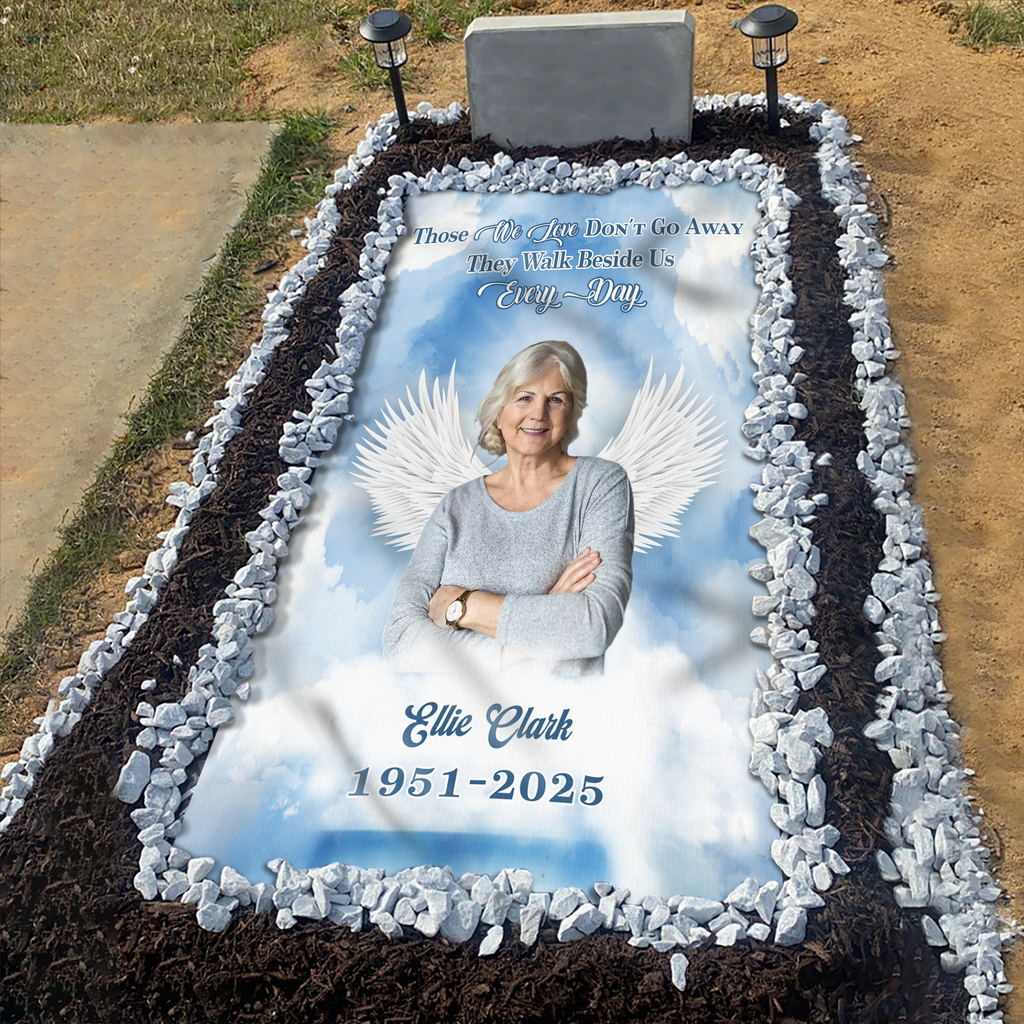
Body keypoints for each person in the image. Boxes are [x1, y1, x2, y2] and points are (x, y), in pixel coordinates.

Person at [382, 340, 634, 676]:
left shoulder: (600, 484)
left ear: (571, 413)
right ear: (499, 412)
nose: (538, 413)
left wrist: (463, 606)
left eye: (556, 400)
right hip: (450, 708)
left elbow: (593, 626)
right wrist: (528, 639)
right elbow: (399, 642)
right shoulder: (454, 506)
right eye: (524, 397)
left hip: (561, 706)